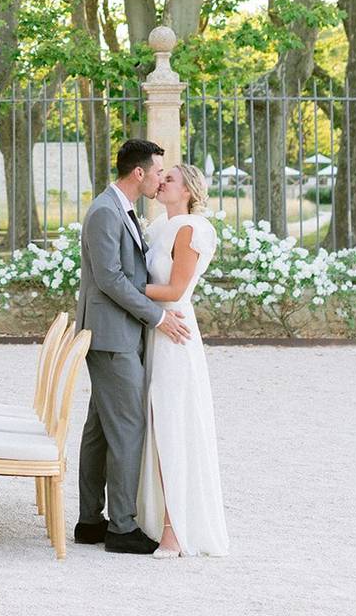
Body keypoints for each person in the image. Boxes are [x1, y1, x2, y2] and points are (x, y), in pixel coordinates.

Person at [73, 139, 191, 554]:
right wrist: (157, 316)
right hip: (111, 336)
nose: (161, 178)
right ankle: (121, 528)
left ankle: (90, 521)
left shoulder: (121, 208)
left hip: (116, 331)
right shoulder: (106, 211)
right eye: (158, 171)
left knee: (102, 428)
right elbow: (111, 280)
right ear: (138, 173)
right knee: (127, 425)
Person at [137, 163, 229, 558]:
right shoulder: (158, 227)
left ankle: (175, 530)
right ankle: (153, 516)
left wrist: (122, 287)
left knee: (172, 425)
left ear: (188, 190)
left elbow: (176, 287)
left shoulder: (193, 228)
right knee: (153, 424)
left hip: (174, 330)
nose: (161, 182)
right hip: (152, 327)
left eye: (169, 178)